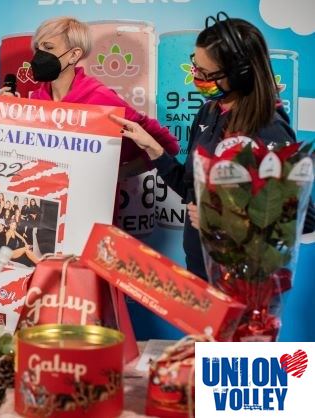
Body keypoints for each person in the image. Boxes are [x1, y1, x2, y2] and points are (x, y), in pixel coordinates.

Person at [109, 13, 315, 279]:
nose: (197, 77)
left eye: (207, 74)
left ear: (240, 74)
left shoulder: (268, 126)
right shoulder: (208, 112)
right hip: (199, 269)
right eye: (195, 67)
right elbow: (191, 190)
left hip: (243, 279)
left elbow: (302, 218)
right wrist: (153, 149)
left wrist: (223, 219)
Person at [1, 16, 179, 181]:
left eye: (48, 48)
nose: (39, 55)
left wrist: (121, 174)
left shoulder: (101, 98)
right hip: (45, 198)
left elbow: (166, 144)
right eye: (37, 48)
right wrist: (7, 117)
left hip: (91, 202)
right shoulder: (35, 102)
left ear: (74, 55)